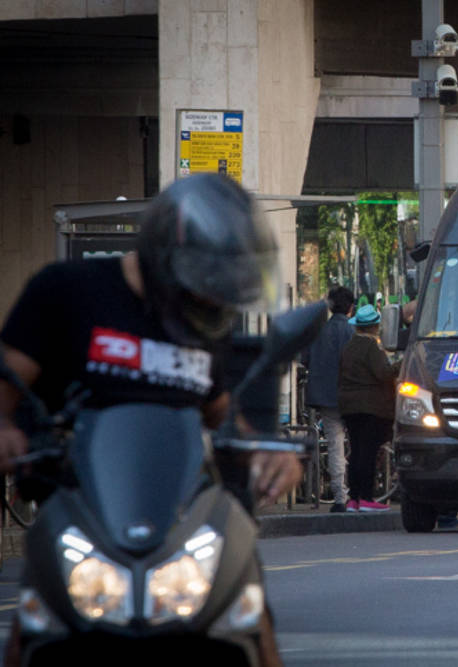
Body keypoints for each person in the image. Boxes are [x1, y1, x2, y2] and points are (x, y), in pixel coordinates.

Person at [0, 173, 299, 667]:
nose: (210, 302)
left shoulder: (198, 324)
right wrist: (7, 429)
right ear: (164, 258)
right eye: (203, 289)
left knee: (247, 602)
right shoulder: (66, 292)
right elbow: (7, 386)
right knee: (38, 619)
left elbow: (220, 410)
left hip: (177, 519)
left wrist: (269, 450)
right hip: (81, 507)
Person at [339, 303, 400, 512]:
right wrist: (401, 364)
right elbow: (383, 373)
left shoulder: (349, 346)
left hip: (349, 408)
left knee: (356, 452)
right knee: (368, 453)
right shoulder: (371, 346)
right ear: (375, 326)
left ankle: (353, 499)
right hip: (371, 408)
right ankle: (366, 498)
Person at [301, 286, 355, 513]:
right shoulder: (353, 334)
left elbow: (305, 359)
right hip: (352, 397)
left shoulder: (318, 332)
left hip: (326, 398)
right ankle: (360, 495)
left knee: (334, 445)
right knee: (358, 445)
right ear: (351, 308)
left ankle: (339, 497)